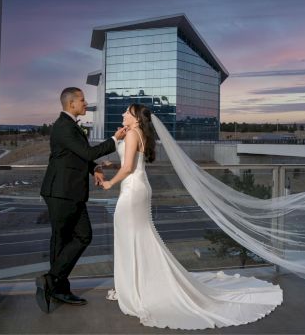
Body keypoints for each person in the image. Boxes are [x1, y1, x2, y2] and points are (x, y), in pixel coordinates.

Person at [101, 104, 283, 330]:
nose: (122, 114)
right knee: (139, 237)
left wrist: (110, 181)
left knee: (130, 239)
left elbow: (129, 167)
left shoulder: (130, 134)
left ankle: (135, 288)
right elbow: (132, 163)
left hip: (131, 192)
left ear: (136, 118)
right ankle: (134, 285)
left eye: (127, 112)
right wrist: (113, 164)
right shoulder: (139, 134)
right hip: (139, 189)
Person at [36, 87, 126, 314]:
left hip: (70, 192)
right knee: (63, 239)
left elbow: (78, 156)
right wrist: (115, 139)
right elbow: (87, 152)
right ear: (71, 103)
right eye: (83, 100)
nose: (86, 104)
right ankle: (56, 285)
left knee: (79, 237)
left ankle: (53, 282)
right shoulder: (63, 127)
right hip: (60, 192)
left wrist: (93, 168)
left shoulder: (70, 126)